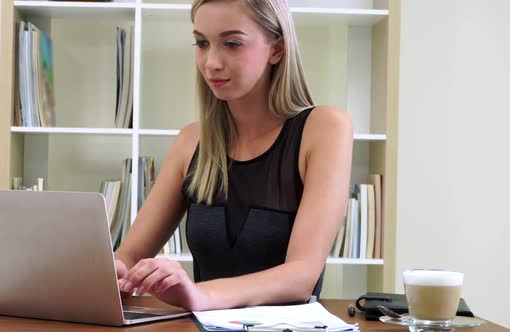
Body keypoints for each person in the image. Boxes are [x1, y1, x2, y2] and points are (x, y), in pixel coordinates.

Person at [114, 0, 353, 311]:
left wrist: (200, 295)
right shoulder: (191, 140)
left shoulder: (324, 129)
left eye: (232, 43)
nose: (211, 62)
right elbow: (129, 255)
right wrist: (117, 270)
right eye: (201, 43)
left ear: (277, 50)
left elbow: (301, 275)